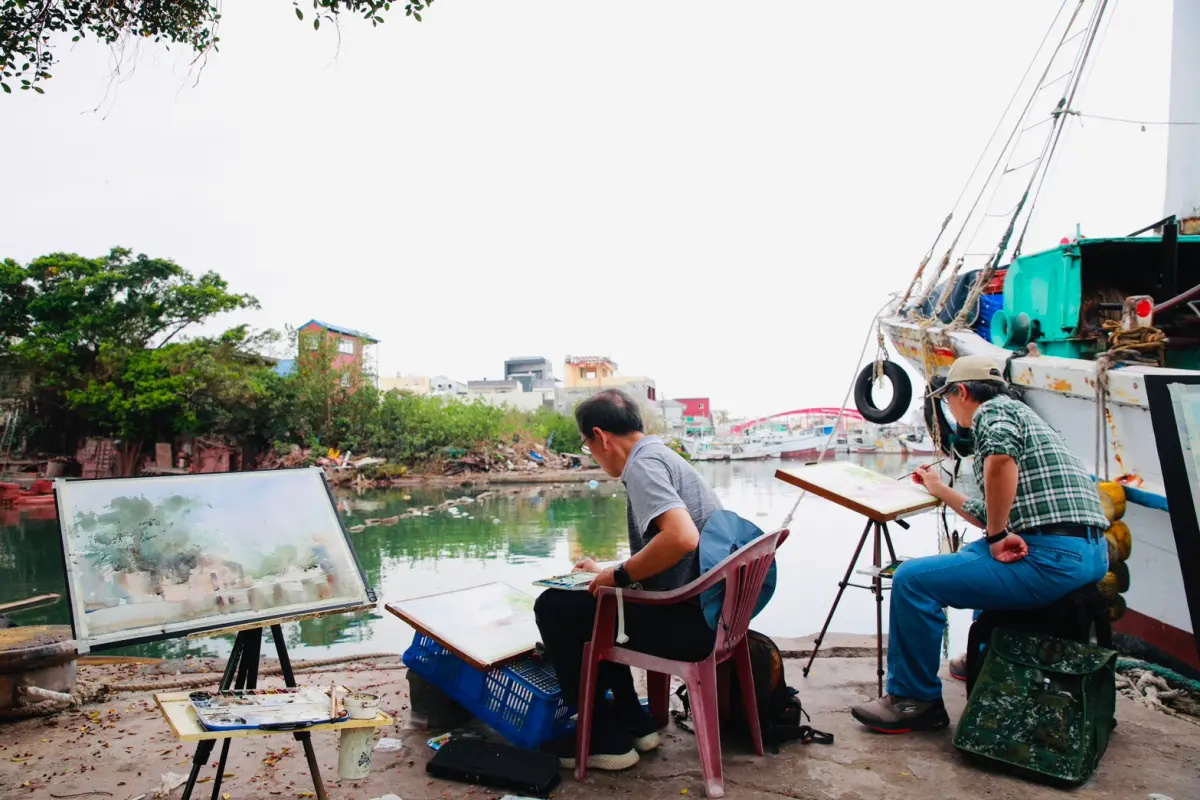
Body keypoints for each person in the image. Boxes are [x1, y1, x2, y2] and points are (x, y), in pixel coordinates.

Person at [850, 355, 1109, 733]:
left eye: (947, 400)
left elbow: (999, 463)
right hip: (1089, 552)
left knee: (912, 580)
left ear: (962, 392)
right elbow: (990, 513)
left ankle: (914, 700)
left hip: (1053, 558)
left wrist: (999, 536)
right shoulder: (1030, 418)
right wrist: (940, 490)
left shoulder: (993, 412)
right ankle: (981, 657)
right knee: (975, 553)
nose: (950, 410)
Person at [534, 389, 721, 770]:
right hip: (708, 615)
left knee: (553, 607)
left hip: (686, 626)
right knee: (594, 603)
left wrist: (619, 575)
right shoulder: (662, 455)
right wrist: (609, 572)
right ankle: (634, 721)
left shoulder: (642, 466)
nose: (592, 454)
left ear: (600, 437)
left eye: (587, 445)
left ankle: (602, 738)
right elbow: (669, 551)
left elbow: (682, 537)